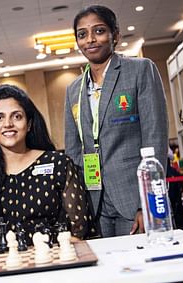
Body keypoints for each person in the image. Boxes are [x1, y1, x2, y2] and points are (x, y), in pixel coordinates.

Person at [64, 5, 168, 238]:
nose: (90, 39)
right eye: (82, 34)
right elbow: (72, 149)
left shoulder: (140, 70)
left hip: (133, 197)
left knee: (139, 269)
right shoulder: (73, 89)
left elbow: (155, 137)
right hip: (94, 201)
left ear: (116, 36)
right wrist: (76, 205)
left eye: (99, 31)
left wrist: (149, 203)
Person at [0, 85, 89, 250]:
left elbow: (78, 230)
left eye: (17, 116)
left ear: (29, 124)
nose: (8, 124)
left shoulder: (58, 164)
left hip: (54, 264)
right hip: (1, 269)